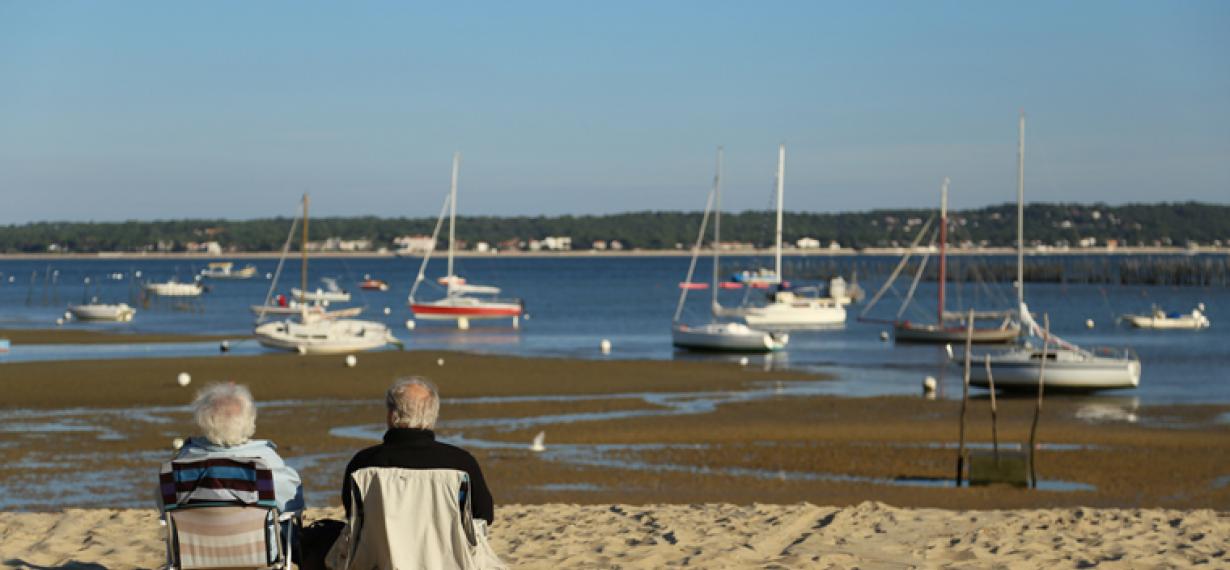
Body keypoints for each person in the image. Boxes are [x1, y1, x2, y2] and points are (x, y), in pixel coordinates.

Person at [341, 376, 494, 523]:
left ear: (391, 415)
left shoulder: (363, 463)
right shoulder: (461, 463)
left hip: (380, 549)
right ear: (433, 415)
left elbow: (353, 514)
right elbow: (485, 516)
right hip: (443, 549)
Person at [165, 382, 304, 515]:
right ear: (249, 420)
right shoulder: (265, 460)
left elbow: (166, 509)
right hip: (256, 539)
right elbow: (292, 503)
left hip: (192, 539)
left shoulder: (184, 461)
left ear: (203, 421)